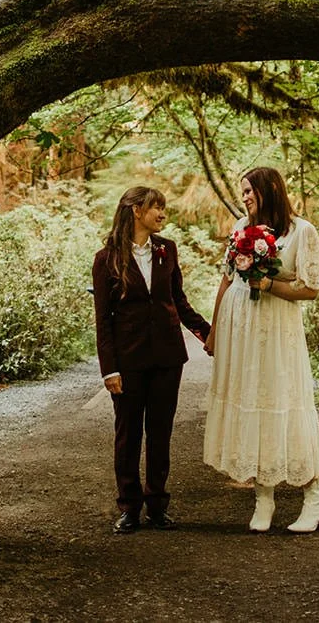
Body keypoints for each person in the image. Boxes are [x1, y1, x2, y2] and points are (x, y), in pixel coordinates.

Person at [202, 166, 319, 533]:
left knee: (285, 402)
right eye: (241, 192)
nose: (244, 198)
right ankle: (264, 499)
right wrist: (214, 331)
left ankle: (315, 498)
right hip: (241, 329)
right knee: (252, 404)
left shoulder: (302, 232)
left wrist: (269, 283)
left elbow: (310, 288)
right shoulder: (241, 227)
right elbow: (227, 279)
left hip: (277, 330)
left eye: (248, 191)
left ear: (268, 190)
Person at [92, 186, 211, 533]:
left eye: (163, 207)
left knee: (160, 433)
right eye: (155, 208)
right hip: (127, 361)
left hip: (167, 357)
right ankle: (129, 507)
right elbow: (103, 320)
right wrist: (109, 369)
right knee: (127, 435)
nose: (162, 214)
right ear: (134, 211)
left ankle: (157, 506)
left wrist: (208, 334)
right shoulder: (106, 258)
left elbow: (179, 300)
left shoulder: (167, 250)